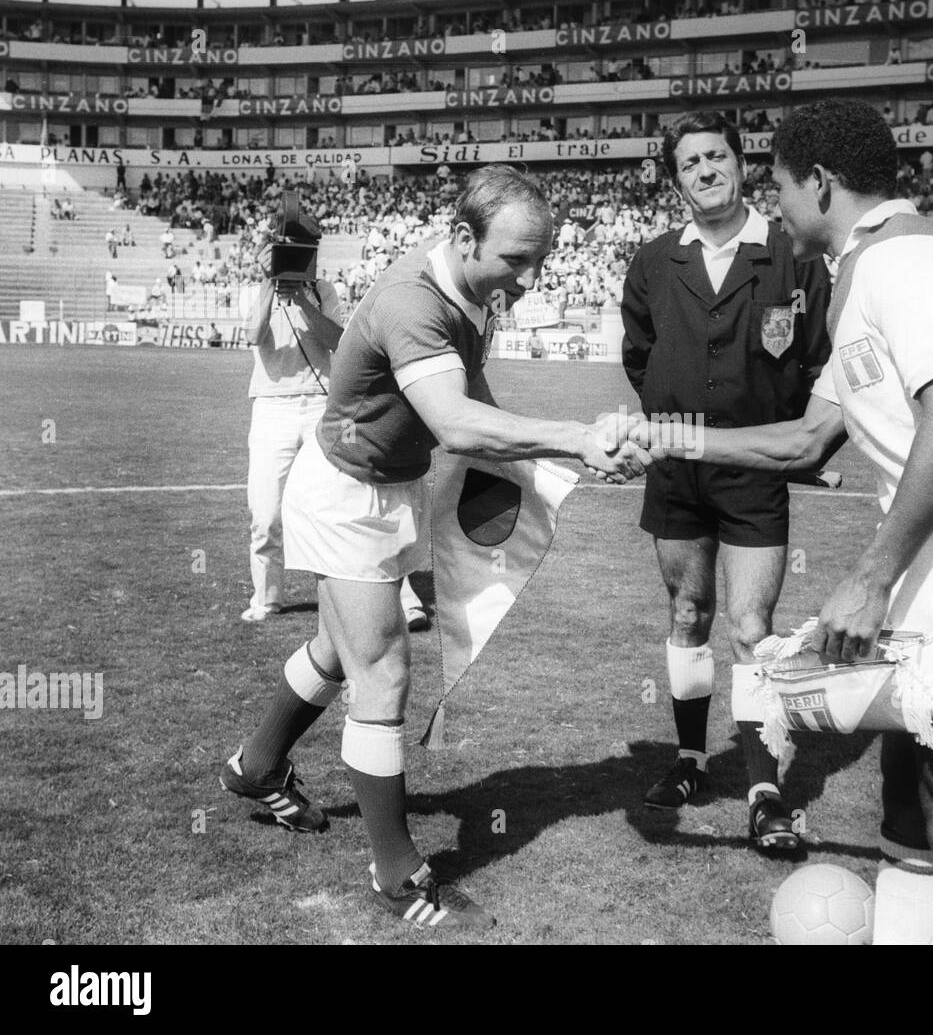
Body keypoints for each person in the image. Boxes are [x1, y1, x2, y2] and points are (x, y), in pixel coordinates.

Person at [637, 99, 933, 944]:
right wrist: (665, 434)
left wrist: (871, 578)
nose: (777, 204)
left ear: (821, 182)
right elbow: (805, 438)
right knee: (910, 817)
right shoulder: (865, 267)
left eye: (781, 186)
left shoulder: (905, 259)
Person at [221, 166, 647, 932]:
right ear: (462, 238)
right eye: (515, 259)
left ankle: (255, 767)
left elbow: (472, 396)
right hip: (347, 490)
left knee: (334, 647)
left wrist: (569, 456)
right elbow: (454, 421)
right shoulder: (413, 301)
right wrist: (579, 438)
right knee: (382, 671)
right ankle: (394, 868)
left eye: (540, 260)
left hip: (396, 486)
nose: (528, 277)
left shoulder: (474, 293)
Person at [621, 110, 831, 853]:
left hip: (753, 471)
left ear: (741, 164)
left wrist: (788, 443)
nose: (706, 171)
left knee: (751, 630)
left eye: (717, 156)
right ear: (675, 179)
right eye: (689, 163)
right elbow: (640, 357)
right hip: (676, 470)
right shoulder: (651, 261)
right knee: (687, 612)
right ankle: (686, 761)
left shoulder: (792, 255)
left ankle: (765, 788)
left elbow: (813, 358)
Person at [238, 198, 345, 622]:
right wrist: (270, 284)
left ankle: (338, 595)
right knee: (265, 512)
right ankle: (266, 597)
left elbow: (337, 340)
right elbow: (254, 334)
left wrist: (301, 297)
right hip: (271, 406)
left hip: (320, 404)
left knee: (330, 507)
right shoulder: (254, 288)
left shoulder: (324, 291)